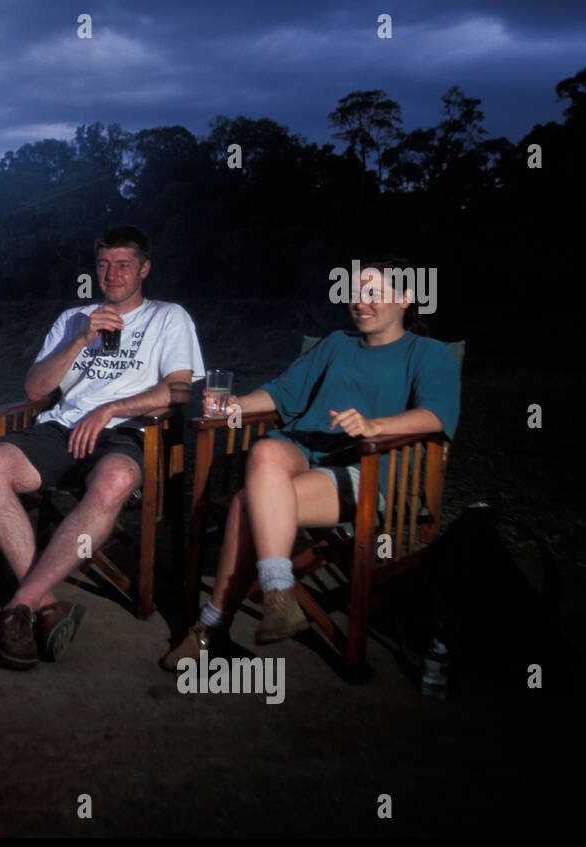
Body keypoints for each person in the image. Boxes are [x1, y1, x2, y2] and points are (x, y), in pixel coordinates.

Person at [159, 257, 461, 669]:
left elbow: (436, 416)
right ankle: (278, 594)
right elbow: (284, 393)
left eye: (373, 293)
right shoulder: (337, 344)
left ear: (407, 297)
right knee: (265, 450)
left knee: (250, 504)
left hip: (370, 469)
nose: (360, 301)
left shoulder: (428, 354)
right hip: (305, 450)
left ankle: (211, 627)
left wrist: (374, 426)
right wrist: (236, 406)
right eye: (356, 292)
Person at [0, 225, 204, 669]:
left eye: (123, 264)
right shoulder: (73, 319)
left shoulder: (168, 317)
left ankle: (19, 604)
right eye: (103, 264)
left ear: (144, 268)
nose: (112, 273)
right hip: (61, 429)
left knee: (114, 479)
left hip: (128, 432)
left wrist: (111, 409)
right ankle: (45, 605)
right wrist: (81, 339)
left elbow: (178, 391)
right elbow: (36, 389)